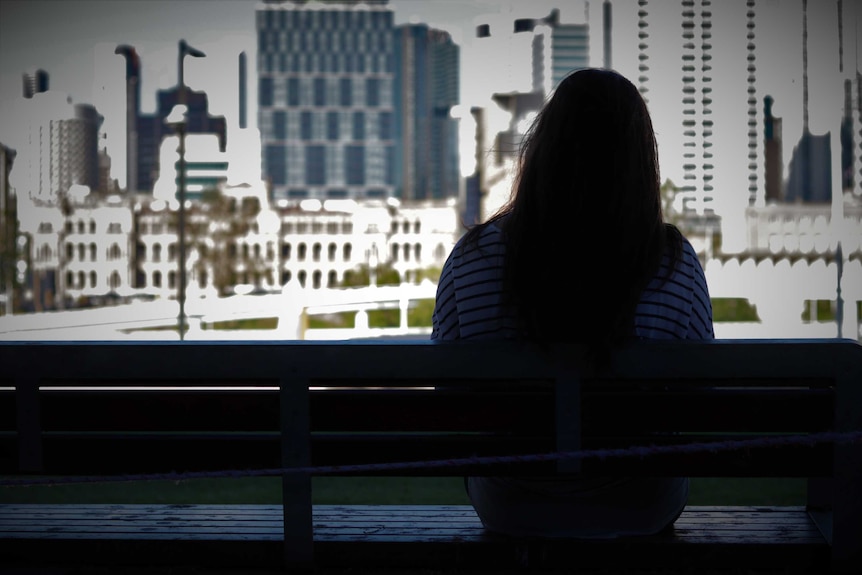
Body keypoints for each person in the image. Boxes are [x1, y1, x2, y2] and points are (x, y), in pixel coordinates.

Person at [431, 68, 714, 539]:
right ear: (640, 161)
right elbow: (699, 397)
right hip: (639, 502)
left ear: (543, 150)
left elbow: (447, 391)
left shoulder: (474, 255)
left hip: (512, 501)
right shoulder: (672, 260)